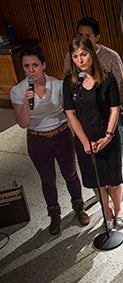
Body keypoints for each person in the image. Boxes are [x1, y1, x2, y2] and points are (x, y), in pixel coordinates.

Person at [10, 47, 89, 235]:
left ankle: (79, 206)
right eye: (26, 66)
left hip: (61, 134)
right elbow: (23, 123)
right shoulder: (18, 90)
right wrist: (26, 104)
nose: (31, 70)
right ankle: (54, 214)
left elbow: (69, 112)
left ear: (43, 65)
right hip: (37, 139)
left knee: (70, 173)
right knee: (48, 180)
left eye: (35, 65)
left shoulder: (57, 84)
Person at [64, 17, 123, 197]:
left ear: (97, 37)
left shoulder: (111, 56)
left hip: (110, 112)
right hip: (87, 113)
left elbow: (121, 84)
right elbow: (69, 82)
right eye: (80, 35)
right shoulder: (71, 56)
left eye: (88, 35)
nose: (84, 38)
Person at [63, 36, 123, 230]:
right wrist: (84, 142)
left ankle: (118, 209)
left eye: (83, 54)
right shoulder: (70, 83)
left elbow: (115, 108)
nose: (80, 60)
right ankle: (106, 210)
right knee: (96, 181)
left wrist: (107, 136)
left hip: (107, 137)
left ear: (92, 54)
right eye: (75, 56)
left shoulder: (107, 78)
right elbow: (70, 113)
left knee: (113, 180)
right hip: (85, 141)